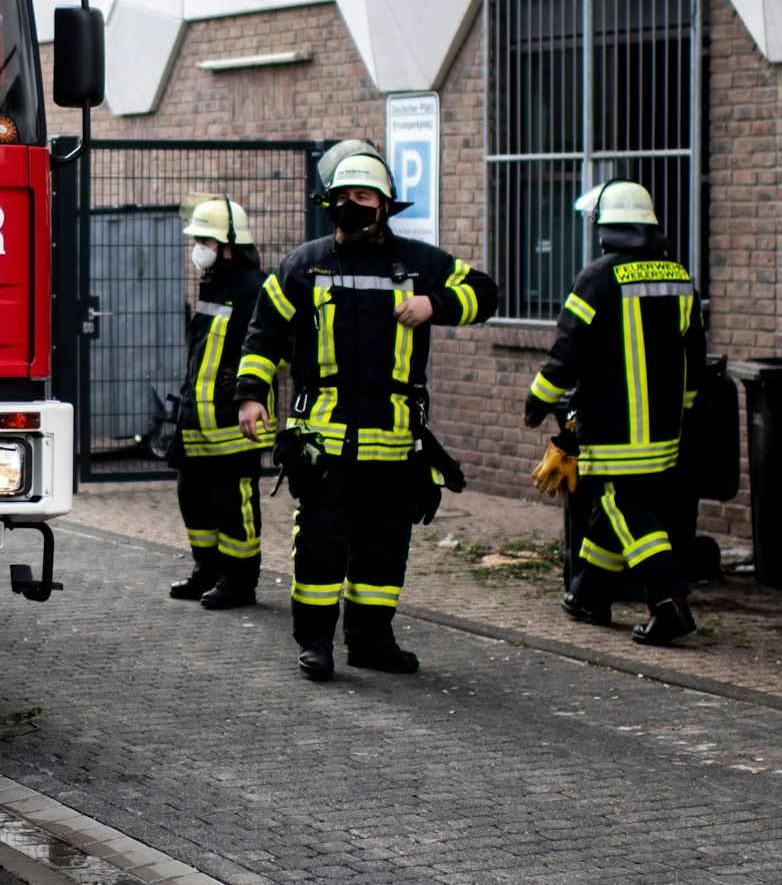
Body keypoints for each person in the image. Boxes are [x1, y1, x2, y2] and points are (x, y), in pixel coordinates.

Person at [235, 149, 497, 681]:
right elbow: (263, 334)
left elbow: (485, 293)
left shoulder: (418, 264)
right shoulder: (303, 265)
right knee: (320, 547)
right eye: (343, 197)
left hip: (394, 442)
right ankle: (315, 644)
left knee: (384, 549)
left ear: (384, 206)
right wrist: (250, 394)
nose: (352, 205)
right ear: (329, 204)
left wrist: (436, 304)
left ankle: (371, 642)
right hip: (323, 442)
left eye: (363, 197)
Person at [524, 180, 705, 645]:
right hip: (664, 431)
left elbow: (567, 351)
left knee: (626, 507)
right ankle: (588, 593)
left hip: (614, 429)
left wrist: (538, 402)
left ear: (605, 229)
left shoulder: (597, 277)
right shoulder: (680, 277)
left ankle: (669, 605)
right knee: (615, 506)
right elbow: (694, 353)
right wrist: (684, 408)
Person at [167, 196, 271, 609]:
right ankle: (207, 570)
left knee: (233, 504)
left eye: (206, 241)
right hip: (198, 420)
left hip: (233, 421)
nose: (199, 249)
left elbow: (276, 349)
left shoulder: (256, 289)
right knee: (193, 497)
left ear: (230, 244)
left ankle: (239, 581)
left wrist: (242, 387)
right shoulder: (213, 286)